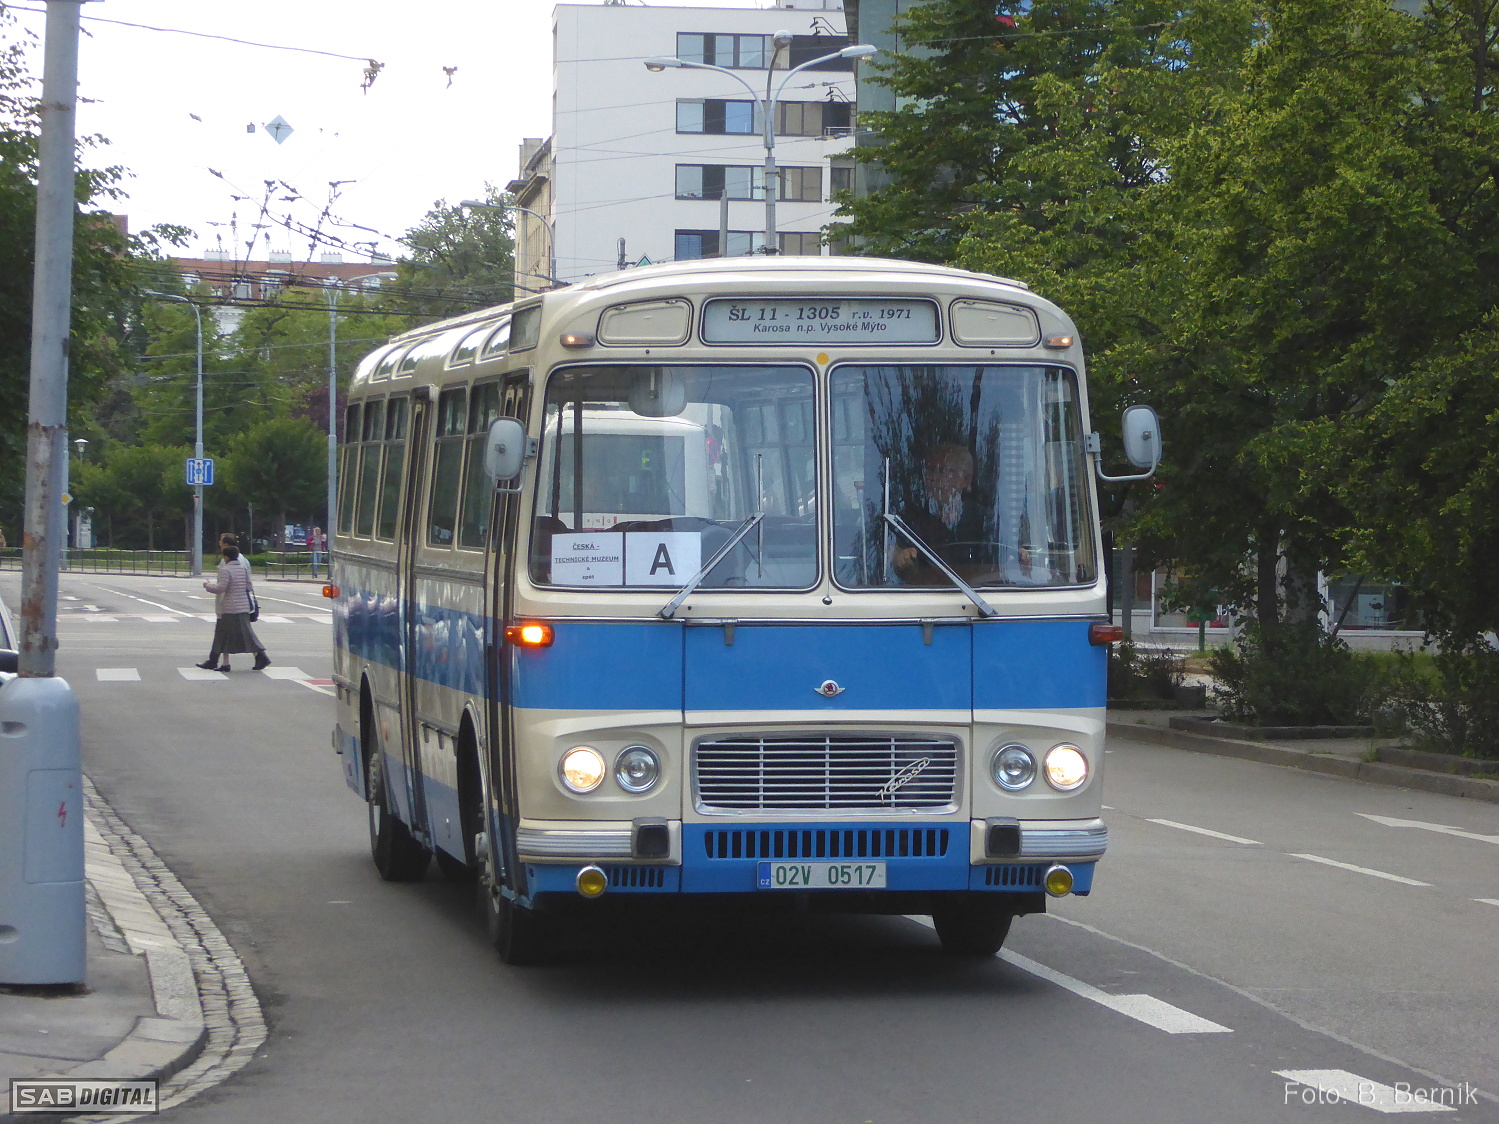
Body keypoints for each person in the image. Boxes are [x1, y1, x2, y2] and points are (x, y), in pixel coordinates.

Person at [891, 443, 985, 584]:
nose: (934, 478)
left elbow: (996, 566)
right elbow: (897, 559)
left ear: (965, 480)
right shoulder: (909, 519)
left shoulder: (984, 520)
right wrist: (900, 558)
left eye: (943, 471)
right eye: (930, 470)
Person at [197, 543, 270, 672]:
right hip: (243, 606)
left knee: (242, 635)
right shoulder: (243, 568)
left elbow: (221, 588)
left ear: (226, 557)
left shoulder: (225, 570)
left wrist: (207, 586)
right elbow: (249, 586)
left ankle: (260, 655)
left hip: (230, 607)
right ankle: (224, 663)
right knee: (228, 635)